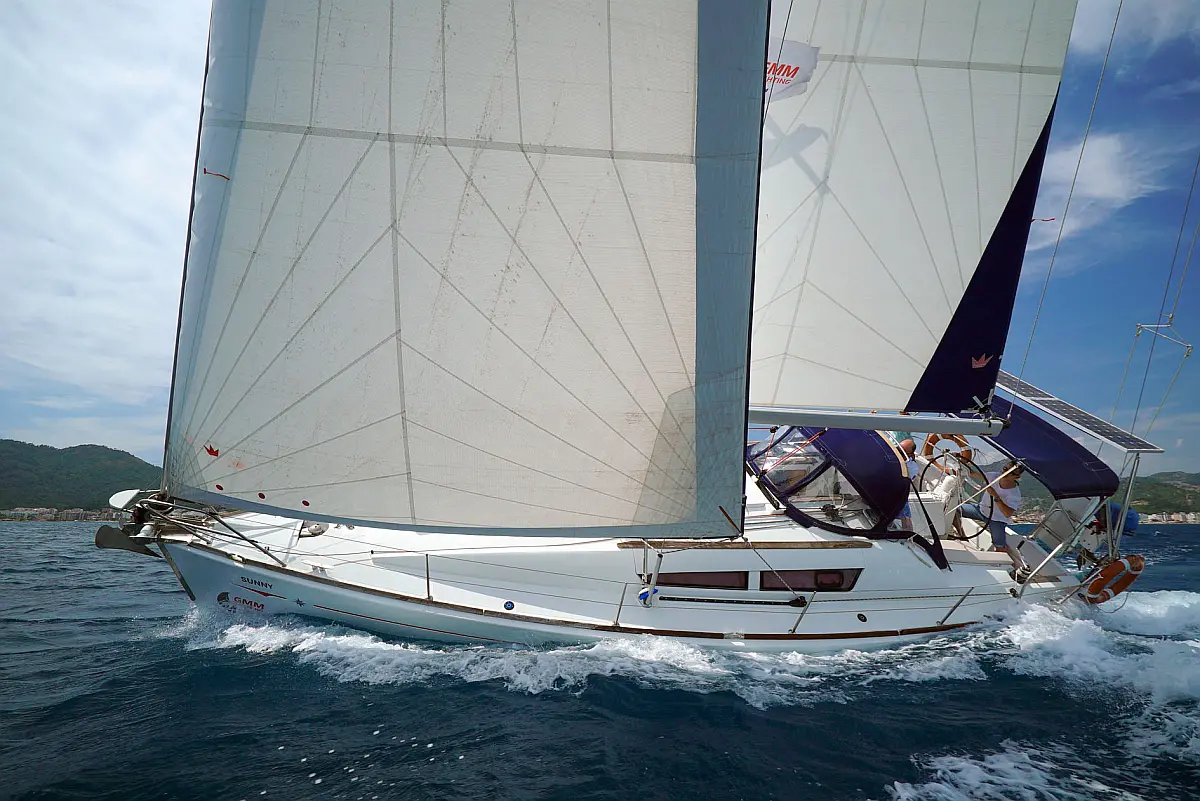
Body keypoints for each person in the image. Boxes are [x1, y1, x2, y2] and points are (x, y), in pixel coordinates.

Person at [955, 460, 1023, 553]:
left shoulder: (1014, 494)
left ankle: (1002, 559)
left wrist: (995, 496)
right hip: (980, 510)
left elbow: (1007, 514)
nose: (1005, 472)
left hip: (997, 520)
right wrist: (961, 461)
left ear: (1017, 477)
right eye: (1005, 468)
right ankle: (962, 536)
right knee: (954, 510)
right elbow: (972, 474)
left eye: (1010, 472)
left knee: (1000, 547)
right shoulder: (994, 476)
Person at [896, 439, 920, 531]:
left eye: (902, 452)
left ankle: (906, 532)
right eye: (898, 450)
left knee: (903, 506)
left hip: (899, 495)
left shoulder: (912, 467)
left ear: (910, 454)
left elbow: (903, 480)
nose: (899, 454)